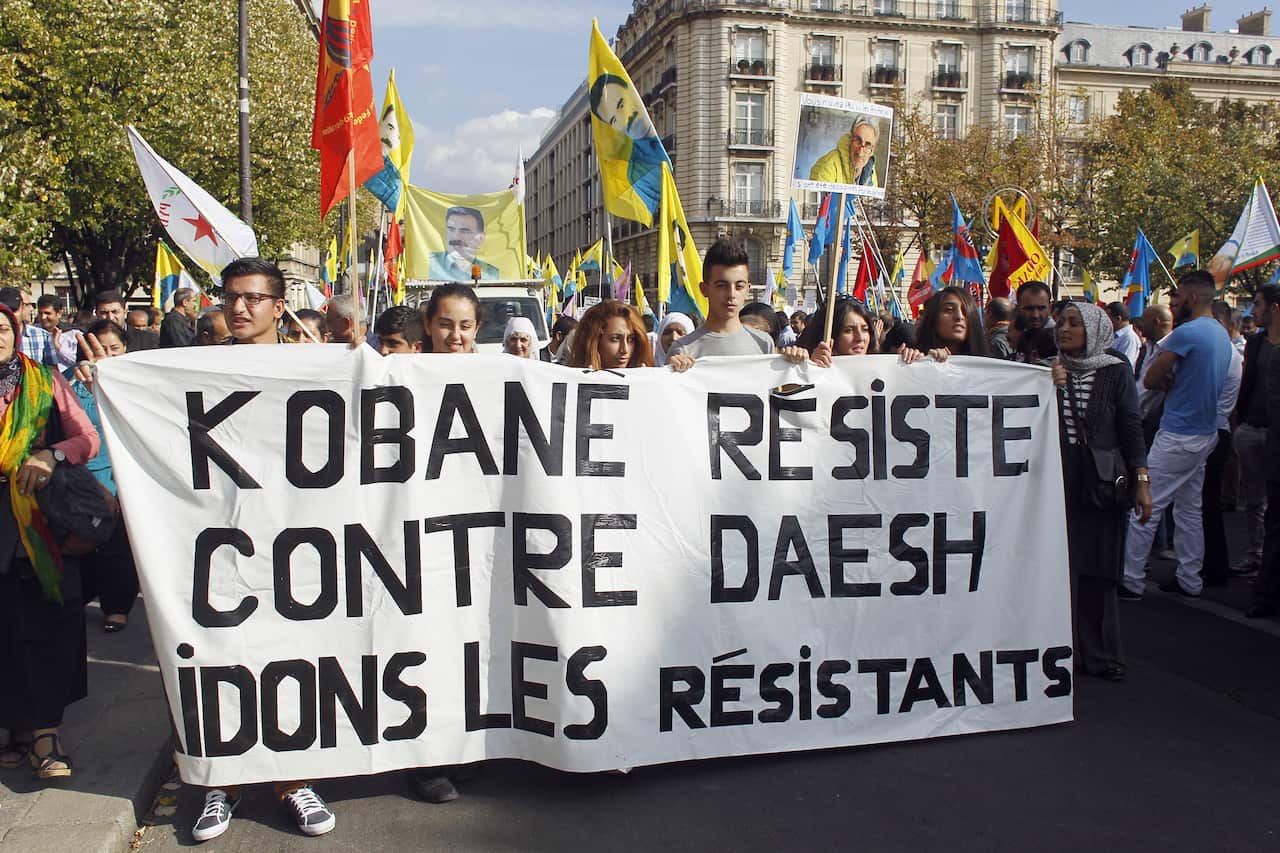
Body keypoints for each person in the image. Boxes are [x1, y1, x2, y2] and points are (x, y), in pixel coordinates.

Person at [192, 258, 336, 841]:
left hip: (302, 543)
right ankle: (219, 785)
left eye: (253, 298)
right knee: (224, 660)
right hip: (224, 540)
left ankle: (292, 779)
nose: (240, 308)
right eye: (231, 297)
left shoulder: (316, 368)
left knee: (293, 663)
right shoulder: (195, 371)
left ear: (280, 307)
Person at [0, 301, 101, 781]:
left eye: (2, 328)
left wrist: (49, 454)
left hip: (39, 517)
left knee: (44, 621)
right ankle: (13, 726)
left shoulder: (44, 381)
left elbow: (86, 439)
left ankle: (45, 734)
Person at [1053, 302, 1151, 682]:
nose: (1065, 329)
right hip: (1059, 481)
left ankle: (1102, 654)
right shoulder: (1044, 369)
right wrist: (1046, 384)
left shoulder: (1115, 371)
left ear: (1095, 329)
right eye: (1061, 322)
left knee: (1099, 570)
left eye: (1075, 323)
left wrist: (1142, 482)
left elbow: (1131, 427)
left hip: (1103, 484)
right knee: (1059, 571)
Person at [1120, 271, 1233, 600]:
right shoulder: (1219, 333)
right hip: (1205, 432)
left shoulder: (1189, 333)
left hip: (1179, 434)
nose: (1174, 303)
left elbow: (1152, 378)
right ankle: (1189, 578)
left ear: (1193, 298)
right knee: (1188, 509)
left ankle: (1130, 579)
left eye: (1178, 297)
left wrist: (1165, 376)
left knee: (1145, 506)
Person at [69, 320, 138, 632]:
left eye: (114, 349)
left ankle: (117, 608)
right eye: (99, 348)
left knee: (119, 547)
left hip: (125, 478)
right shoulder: (69, 388)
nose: (105, 356)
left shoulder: (138, 387)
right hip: (85, 479)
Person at [664, 239, 778, 366]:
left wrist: (796, 362)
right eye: (721, 286)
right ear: (704, 289)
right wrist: (672, 370)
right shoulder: (682, 350)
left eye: (739, 286)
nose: (731, 294)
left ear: (747, 290)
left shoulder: (764, 343)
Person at [1232, 285, 1280, 579]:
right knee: (1254, 500)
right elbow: (1246, 385)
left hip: (1276, 435)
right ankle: (1256, 555)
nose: (1253, 311)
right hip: (1252, 430)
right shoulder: (1257, 342)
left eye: (1258, 304)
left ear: (1275, 308)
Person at [1200, 328, 1243, 588]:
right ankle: (1210, 564)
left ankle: (1214, 566)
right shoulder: (1230, 354)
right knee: (1203, 505)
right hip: (1216, 429)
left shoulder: (1225, 355)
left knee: (1206, 504)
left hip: (1212, 430)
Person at [563, 300, 654, 369]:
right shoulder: (566, 382)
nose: (625, 349)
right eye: (615, 339)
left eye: (631, 339)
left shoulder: (649, 381)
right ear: (594, 341)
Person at [914, 286, 990, 358]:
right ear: (933, 318)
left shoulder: (990, 367)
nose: (959, 317)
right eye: (949, 310)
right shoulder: (915, 359)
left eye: (965, 311)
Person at [427, 207, 500, 282]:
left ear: (480, 238)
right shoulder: (429, 263)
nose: (456, 237)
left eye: (465, 231)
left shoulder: (491, 273)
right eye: (451, 229)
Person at [807, 117, 879, 187]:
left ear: (873, 149)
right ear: (851, 139)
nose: (860, 153)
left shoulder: (871, 171)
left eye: (867, 145)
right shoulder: (828, 165)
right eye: (858, 141)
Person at [0, 288, 58, 367]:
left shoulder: (43, 337)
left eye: (13, 310)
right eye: (4, 311)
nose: (10, 314)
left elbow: (53, 373)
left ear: (22, 307)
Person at [35, 295, 80, 368]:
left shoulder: (73, 334)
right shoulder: (32, 333)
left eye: (47, 313)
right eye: (40, 313)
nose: (43, 317)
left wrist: (58, 346)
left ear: (59, 313)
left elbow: (78, 361)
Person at [1106, 301, 1141, 370]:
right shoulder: (1113, 335)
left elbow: (1123, 365)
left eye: (1107, 318)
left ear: (1118, 319)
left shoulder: (1129, 338)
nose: (1105, 321)